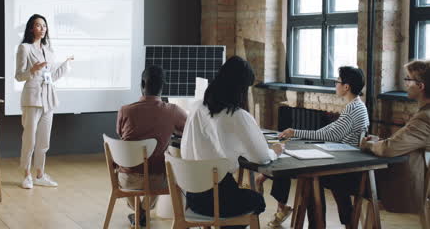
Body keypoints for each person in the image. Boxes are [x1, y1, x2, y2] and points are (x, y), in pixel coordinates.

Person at [258, 66, 369, 228]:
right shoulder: (356, 106)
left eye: (337, 81)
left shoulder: (353, 108)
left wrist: (295, 132)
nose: (335, 85)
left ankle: (315, 224)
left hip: (344, 169)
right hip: (343, 162)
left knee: (307, 176)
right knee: (296, 163)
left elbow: (331, 135)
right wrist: (299, 133)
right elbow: (330, 130)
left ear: (346, 87)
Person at [180, 56, 283, 229]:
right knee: (257, 201)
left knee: (238, 195)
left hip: (192, 196)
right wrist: (275, 151)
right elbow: (261, 157)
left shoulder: (197, 108)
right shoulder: (237, 115)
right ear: (240, 89)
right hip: (217, 201)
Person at [117, 65, 187, 227]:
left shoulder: (125, 110)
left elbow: (121, 134)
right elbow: (189, 129)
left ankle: (138, 213)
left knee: (126, 159)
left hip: (126, 180)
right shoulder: (172, 110)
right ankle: (142, 211)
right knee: (163, 162)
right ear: (163, 86)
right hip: (156, 181)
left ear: (142, 84)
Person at [361, 60, 430, 215]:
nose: (405, 83)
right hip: (411, 179)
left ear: (420, 86)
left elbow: (388, 149)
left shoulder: (424, 118)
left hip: (403, 184)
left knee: (331, 179)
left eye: (408, 79)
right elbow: (399, 143)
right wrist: (379, 141)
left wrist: (370, 145)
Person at [15, 14, 73, 189]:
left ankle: (40, 174)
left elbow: (51, 77)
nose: (43, 28)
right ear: (31, 28)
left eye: (44, 26)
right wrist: (32, 70)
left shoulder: (49, 51)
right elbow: (18, 76)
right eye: (38, 25)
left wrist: (65, 66)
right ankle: (26, 175)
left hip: (48, 98)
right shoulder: (24, 48)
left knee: (44, 141)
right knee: (29, 140)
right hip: (32, 99)